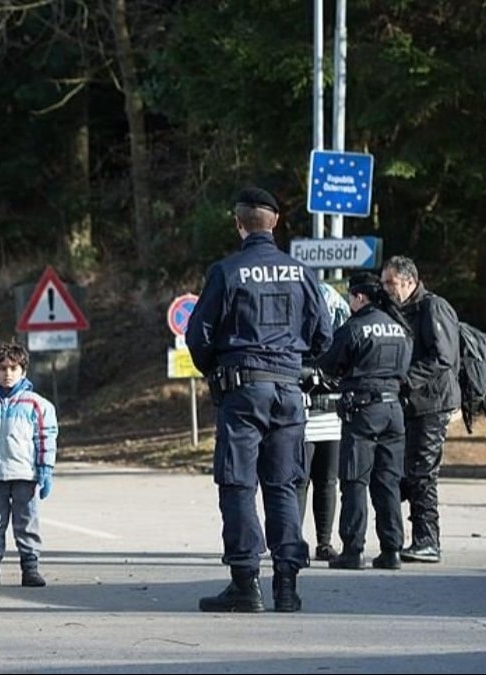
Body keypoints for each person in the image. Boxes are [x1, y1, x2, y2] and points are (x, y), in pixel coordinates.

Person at [186, 187, 332, 613]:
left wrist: (215, 370)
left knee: (238, 484)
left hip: (243, 390)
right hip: (288, 390)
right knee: (284, 484)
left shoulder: (227, 271)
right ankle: (286, 585)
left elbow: (199, 335)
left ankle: (245, 583)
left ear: (238, 224)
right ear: (276, 222)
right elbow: (324, 336)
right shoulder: (302, 272)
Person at [314, 273, 412, 570]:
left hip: (363, 410)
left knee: (355, 481)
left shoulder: (355, 327)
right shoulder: (399, 327)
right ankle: (391, 549)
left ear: (359, 297)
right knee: (388, 482)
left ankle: (353, 550)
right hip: (394, 411)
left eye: (351, 298)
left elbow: (329, 363)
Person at [380, 256, 460, 564]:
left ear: (410, 281)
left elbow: (444, 357)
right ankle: (410, 536)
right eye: (383, 282)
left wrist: (404, 380)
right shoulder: (400, 310)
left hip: (433, 402)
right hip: (413, 403)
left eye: (391, 283)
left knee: (423, 473)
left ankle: (428, 540)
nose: (385, 289)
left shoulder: (432, 307)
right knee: (406, 472)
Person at [0, 341, 58, 589]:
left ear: (23, 371)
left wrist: (45, 470)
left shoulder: (37, 404)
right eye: (3, 368)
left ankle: (30, 567)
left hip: (24, 474)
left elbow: (45, 438)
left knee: (26, 522)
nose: (8, 374)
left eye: (14, 368)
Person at [297, 281, 351, 562]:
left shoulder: (343, 337)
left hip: (331, 418)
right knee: (300, 481)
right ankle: (294, 541)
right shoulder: (296, 334)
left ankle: (324, 542)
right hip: (303, 417)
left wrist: (321, 380)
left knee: (327, 482)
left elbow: (346, 372)